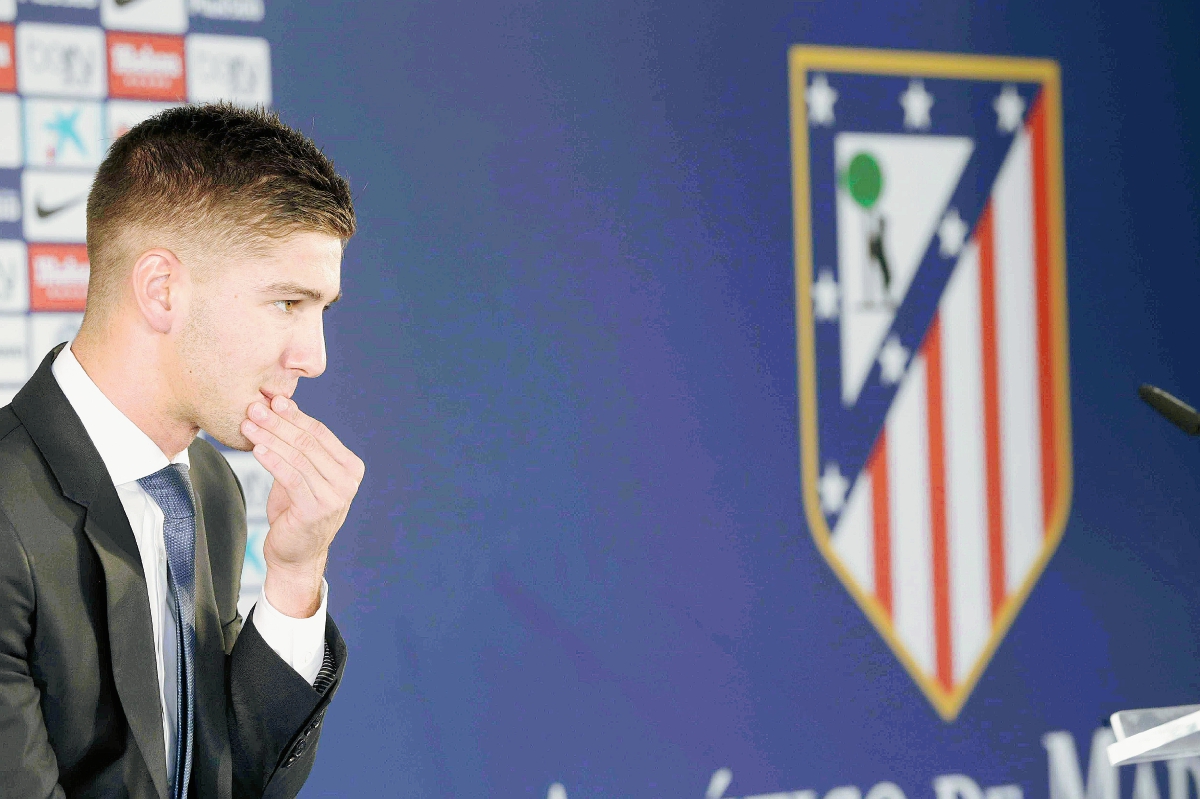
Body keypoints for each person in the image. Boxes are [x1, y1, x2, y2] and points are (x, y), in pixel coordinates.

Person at [0, 103, 365, 798]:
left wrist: (293, 573)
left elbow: (233, 779)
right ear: (162, 290)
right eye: (289, 302)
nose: (314, 356)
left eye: (324, 309)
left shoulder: (207, 488)